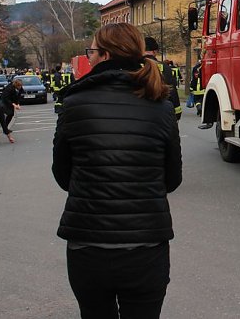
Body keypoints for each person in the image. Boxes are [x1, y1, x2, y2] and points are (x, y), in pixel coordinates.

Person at [53, 23, 182, 319]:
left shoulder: (74, 103)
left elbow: (62, 175)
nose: (89, 57)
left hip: (87, 247)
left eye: (91, 51)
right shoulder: (160, 106)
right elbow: (172, 179)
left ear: (106, 55)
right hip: (146, 247)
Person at [144, 36, 182, 120]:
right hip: (160, 111)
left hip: (138, 111)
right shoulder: (165, 68)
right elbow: (172, 91)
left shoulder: (133, 66)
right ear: (155, 51)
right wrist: (177, 113)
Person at [0, 78, 23, 143]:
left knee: (11, 114)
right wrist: (13, 104)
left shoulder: (20, 89)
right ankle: (5, 129)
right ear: (16, 85)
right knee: (8, 113)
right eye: (19, 86)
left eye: (21, 86)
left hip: (12, 101)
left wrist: (18, 104)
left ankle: (5, 128)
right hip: (4, 101)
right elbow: (6, 98)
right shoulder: (9, 88)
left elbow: (18, 97)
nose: (20, 87)